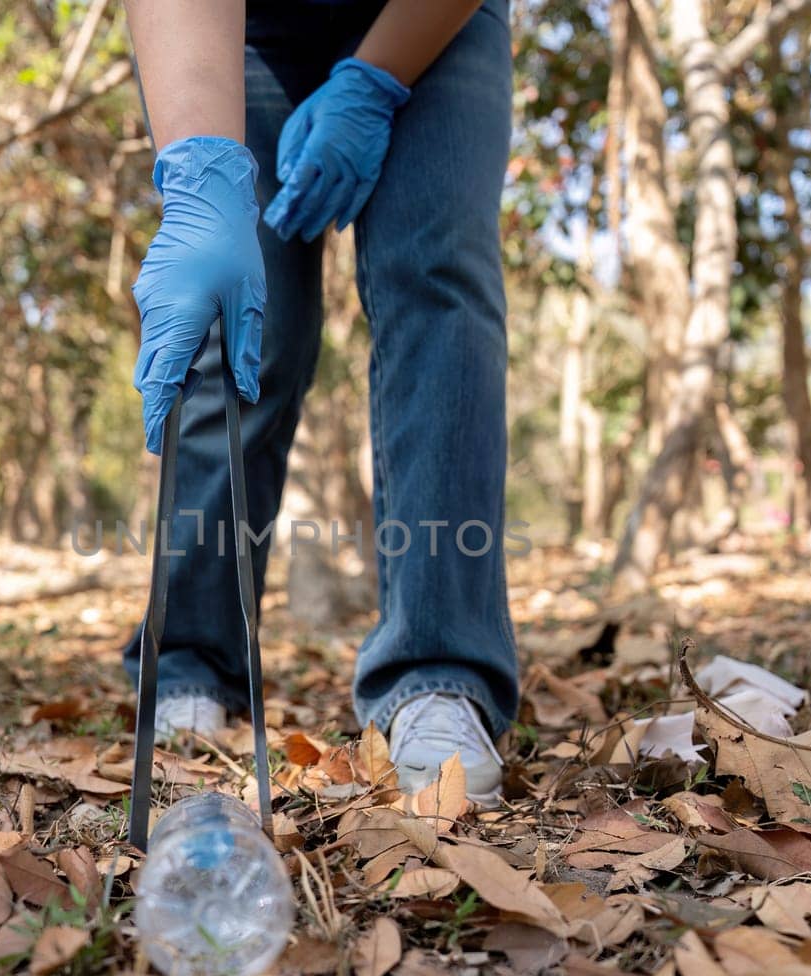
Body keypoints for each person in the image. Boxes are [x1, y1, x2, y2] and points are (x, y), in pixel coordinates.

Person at [121, 0, 517, 807]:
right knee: (245, 331)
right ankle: (191, 655)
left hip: (433, 20)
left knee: (435, 280)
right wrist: (201, 181)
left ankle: (439, 672)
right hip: (249, 32)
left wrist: (373, 82)